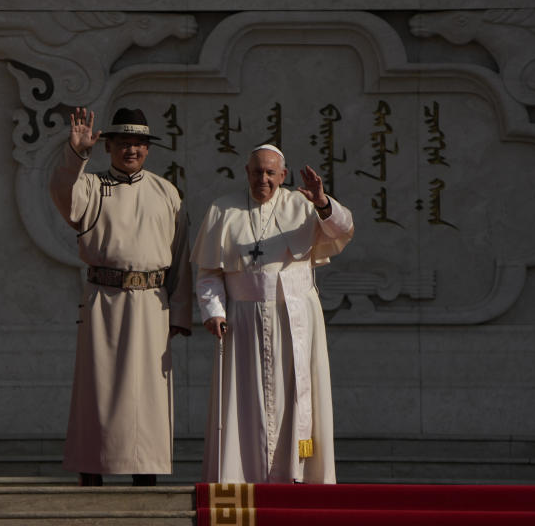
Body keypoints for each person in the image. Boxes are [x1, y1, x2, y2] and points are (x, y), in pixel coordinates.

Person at [191, 144, 353, 484]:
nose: (262, 179)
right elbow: (208, 272)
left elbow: (342, 231)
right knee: (243, 402)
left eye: (270, 172)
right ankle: (241, 476)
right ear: (246, 172)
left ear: (283, 175)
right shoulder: (223, 210)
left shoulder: (302, 205)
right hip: (242, 323)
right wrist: (214, 311)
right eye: (256, 171)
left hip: (295, 319)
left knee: (295, 399)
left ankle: (298, 474)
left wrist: (323, 202)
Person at [49, 106, 192, 487]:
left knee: (147, 392)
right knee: (99, 387)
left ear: (148, 149)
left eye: (139, 144)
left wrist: (179, 311)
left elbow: (180, 259)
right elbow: (63, 194)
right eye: (124, 143)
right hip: (104, 300)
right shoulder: (92, 186)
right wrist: (77, 154)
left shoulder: (167, 192)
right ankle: (91, 470)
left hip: (151, 302)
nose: (132, 150)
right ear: (109, 146)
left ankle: (145, 473)